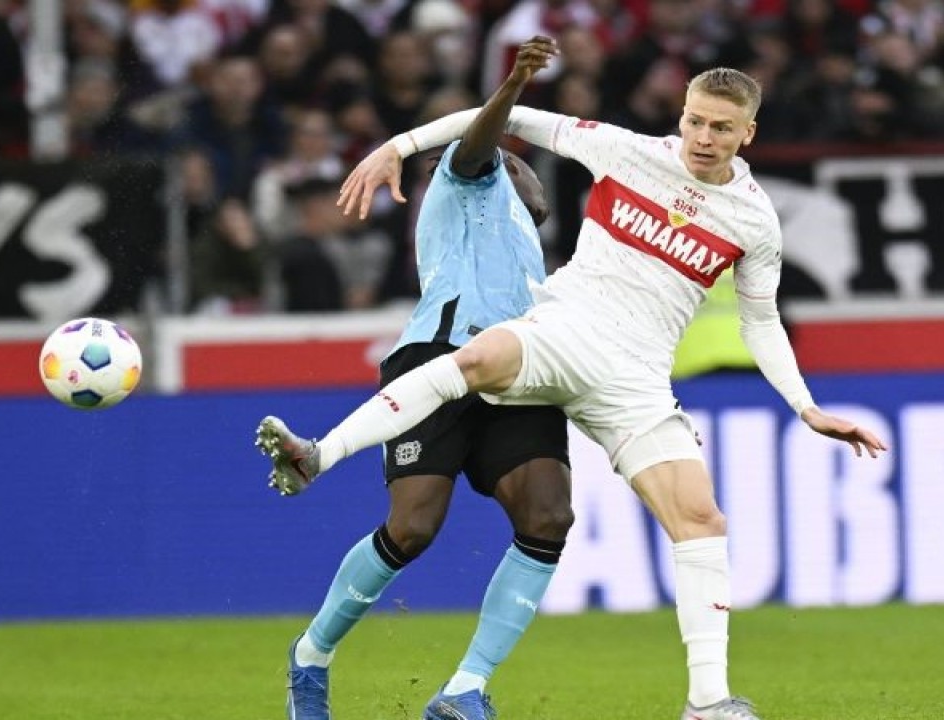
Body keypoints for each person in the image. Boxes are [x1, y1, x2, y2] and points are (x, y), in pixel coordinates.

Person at [259, 35, 888, 720]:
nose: (703, 138)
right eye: (694, 120)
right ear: (680, 113)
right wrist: (401, 145)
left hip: (636, 378)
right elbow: (511, 124)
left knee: (698, 517)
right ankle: (319, 458)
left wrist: (805, 406)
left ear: (748, 132)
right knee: (469, 373)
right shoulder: (621, 151)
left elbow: (759, 320)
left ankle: (707, 701)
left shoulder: (754, 219)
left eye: (721, 128)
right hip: (566, 333)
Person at [255, 39, 573, 720]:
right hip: (438, 357)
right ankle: (310, 655)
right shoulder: (467, 180)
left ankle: (464, 690)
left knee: (548, 514)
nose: (530, 169)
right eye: (522, 158)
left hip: (522, 366)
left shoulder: (526, 237)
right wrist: (512, 87)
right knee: (414, 526)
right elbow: (479, 138)